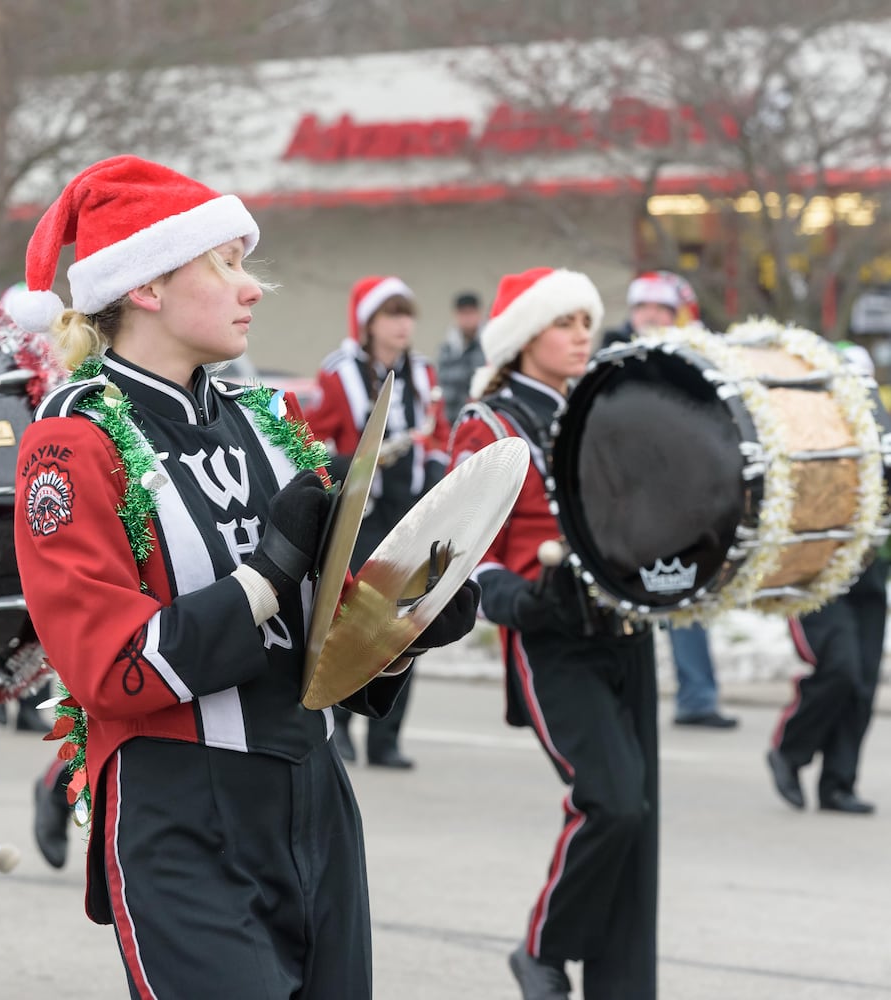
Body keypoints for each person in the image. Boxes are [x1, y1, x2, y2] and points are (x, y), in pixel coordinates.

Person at [7, 155, 479, 999]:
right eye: (225, 263)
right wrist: (266, 575)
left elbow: (321, 642)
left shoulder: (268, 423)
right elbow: (110, 667)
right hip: (184, 811)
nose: (252, 286)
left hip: (315, 796)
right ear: (146, 286)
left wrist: (400, 627)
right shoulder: (72, 442)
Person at [451, 267, 658, 1000]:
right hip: (553, 636)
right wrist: (517, 599)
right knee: (611, 800)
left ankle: (623, 984)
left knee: (640, 821)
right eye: (563, 323)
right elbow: (460, 548)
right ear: (521, 337)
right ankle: (542, 948)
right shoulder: (488, 424)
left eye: (585, 323)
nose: (581, 336)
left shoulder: (598, 410)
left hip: (624, 629)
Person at [306, 275, 451, 769]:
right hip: (362, 516)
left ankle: (386, 739)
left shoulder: (425, 374)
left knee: (409, 623)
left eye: (407, 314)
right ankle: (341, 727)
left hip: (409, 512)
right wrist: (353, 465)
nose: (402, 325)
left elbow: (438, 435)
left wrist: (433, 467)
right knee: (355, 621)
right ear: (368, 323)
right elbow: (311, 442)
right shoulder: (338, 373)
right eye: (391, 314)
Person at [603, 271, 737, 729]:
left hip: (681, 501)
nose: (653, 317)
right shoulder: (613, 361)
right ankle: (618, 700)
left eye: (664, 309)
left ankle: (696, 696)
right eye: (645, 308)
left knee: (680, 589)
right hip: (624, 501)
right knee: (624, 599)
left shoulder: (697, 360)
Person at [768, 341, 886, 816]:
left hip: (868, 572)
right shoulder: (800, 430)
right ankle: (788, 751)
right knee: (838, 668)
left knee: (862, 684)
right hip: (814, 571)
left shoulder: (881, 430)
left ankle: (838, 783)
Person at [437, 290, 485, 423]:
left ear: (479, 313)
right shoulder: (447, 349)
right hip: (453, 420)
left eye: (471, 312)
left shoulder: (488, 345)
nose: (468, 318)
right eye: (463, 313)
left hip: (481, 418)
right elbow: (441, 383)